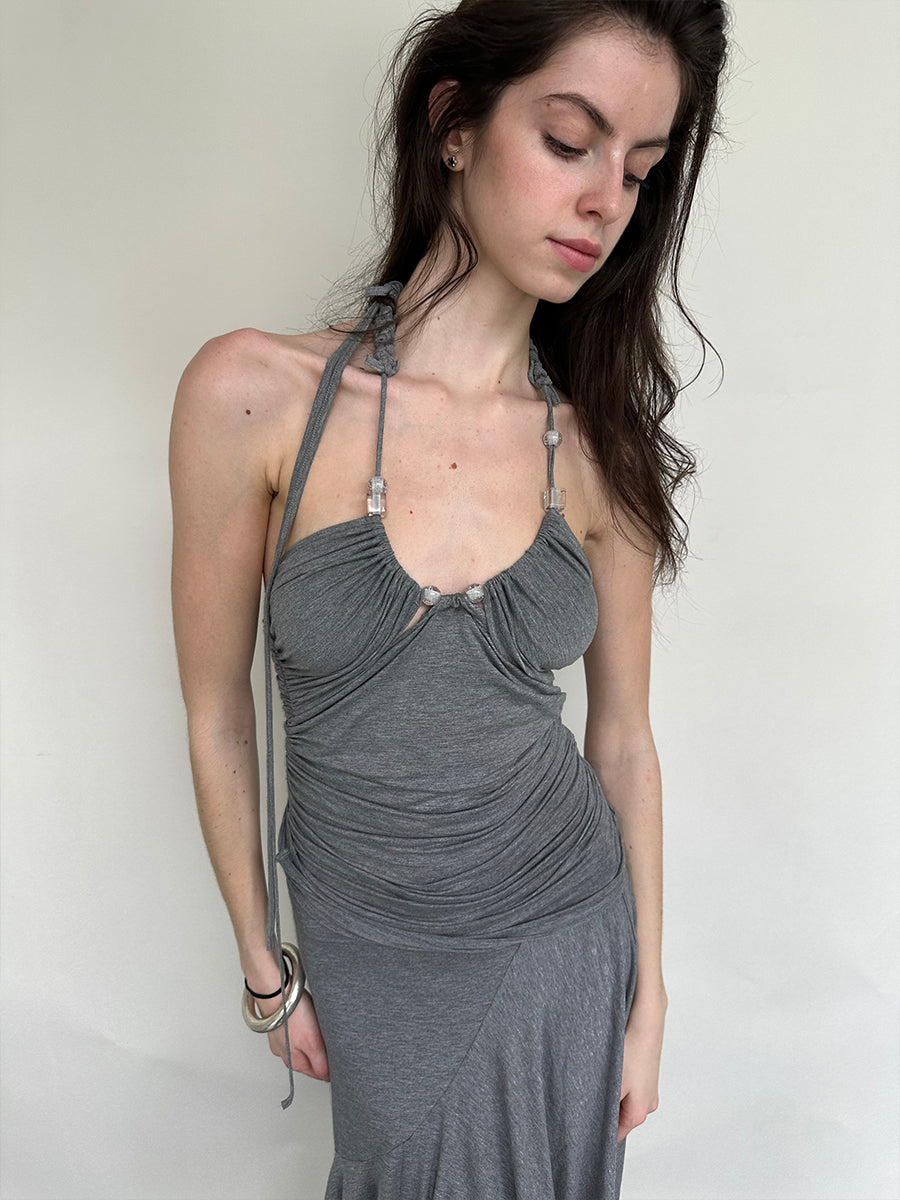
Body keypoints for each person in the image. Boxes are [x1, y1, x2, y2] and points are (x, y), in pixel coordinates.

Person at [169, 1, 730, 1195]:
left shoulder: (601, 450)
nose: (605, 201)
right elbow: (216, 712)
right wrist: (264, 966)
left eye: (639, 171)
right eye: (570, 141)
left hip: (566, 935)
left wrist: (651, 997)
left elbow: (624, 742)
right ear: (455, 124)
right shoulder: (252, 395)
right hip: (369, 944)